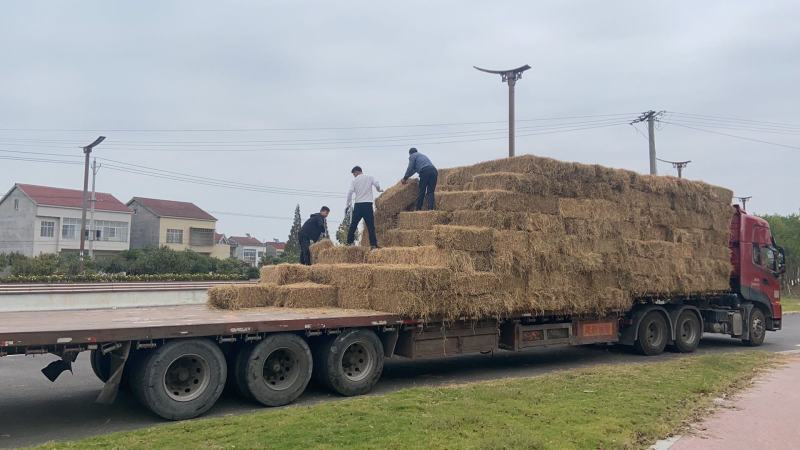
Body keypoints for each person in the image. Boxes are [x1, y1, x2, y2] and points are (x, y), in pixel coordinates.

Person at [345, 166, 382, 248]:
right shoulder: (370, 177)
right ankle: (373, 244)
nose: (354, 176)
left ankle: (348, 243)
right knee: (370, 226)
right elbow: (377, 184)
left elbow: (350, 192)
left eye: (354, 174)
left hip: (358, 205)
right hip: (368, 205)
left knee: (353, 225)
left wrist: (347, 205)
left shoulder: (354, 181)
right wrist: (379, 190)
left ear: (356, 172)